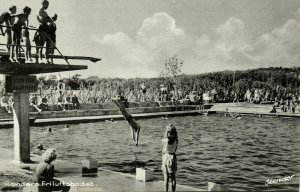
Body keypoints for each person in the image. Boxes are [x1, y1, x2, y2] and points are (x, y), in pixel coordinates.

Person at [162, 124, 178, 192]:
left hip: (165, 157)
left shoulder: (164, 140)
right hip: (172, 157)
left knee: (166, 178)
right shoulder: (176, 140)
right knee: (173, 178)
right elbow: (175, 150)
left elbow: (163, 149)